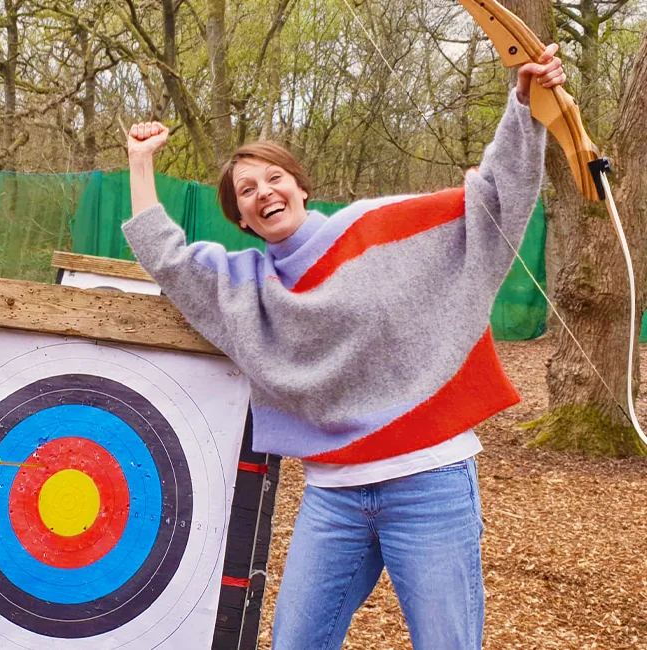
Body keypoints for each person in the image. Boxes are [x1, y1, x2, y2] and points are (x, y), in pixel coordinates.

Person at [123, 45, 567, 650]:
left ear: (301, 186)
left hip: (428, 479)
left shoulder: (377, 225)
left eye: (274, 177)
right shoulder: (243, 287)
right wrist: (140, 160)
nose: (263, 191)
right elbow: (166, 258)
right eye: (246, 190)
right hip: (333, 497)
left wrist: (524, 103)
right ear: (242, 220)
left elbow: (493, 201)